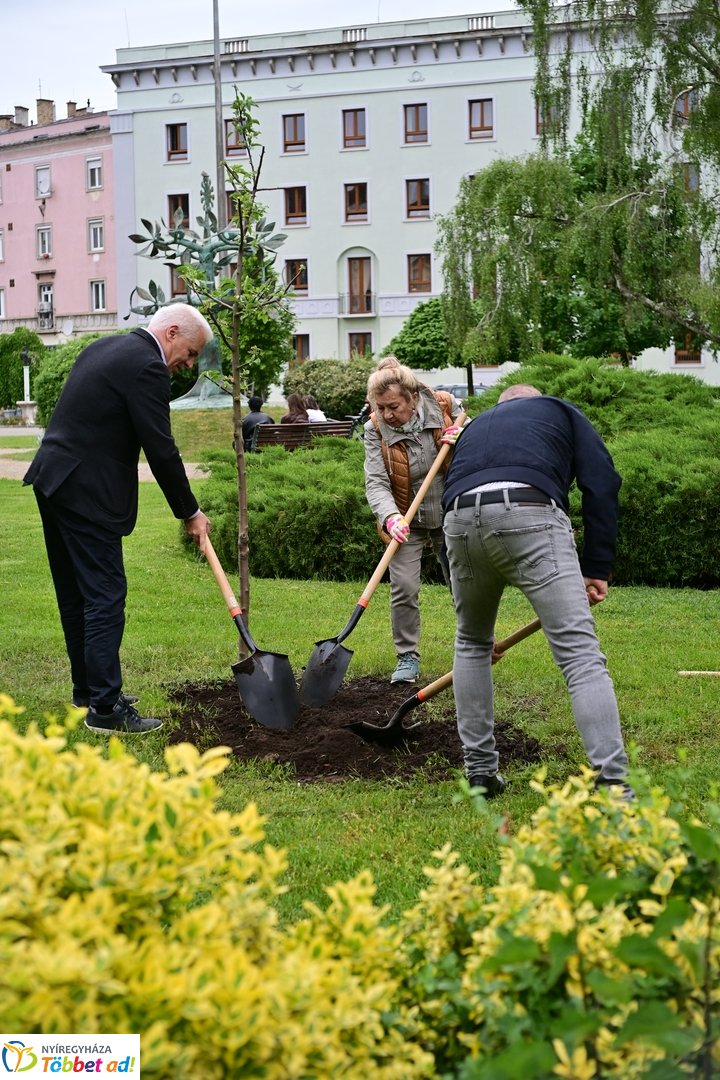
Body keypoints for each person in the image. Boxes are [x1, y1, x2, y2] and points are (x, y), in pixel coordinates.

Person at [24, 303, 213, 736]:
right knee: (105, 595)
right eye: (190, 352)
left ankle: (88, 692)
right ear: (170, 333)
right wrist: (190, 511)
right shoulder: (148, 366)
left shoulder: (105, 347)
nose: (188, 365)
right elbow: (161, 447)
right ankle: (106, 708)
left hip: (53, 479)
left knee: (76, 595)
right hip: (85, 491)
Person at [441, 383, 631, 798]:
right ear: (535, 401)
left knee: (471, 643)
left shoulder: (473, 428)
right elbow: (602, 481)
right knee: (579, 655)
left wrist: (465, 603)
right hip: (528, 510)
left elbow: (449, 498)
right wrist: (597, 566)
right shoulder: (558, 410)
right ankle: (614, 786)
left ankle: (480, 775)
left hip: (458, 520)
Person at [364, 356, 461, 683]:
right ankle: (407, 657)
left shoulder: (443, 406)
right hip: (405, 518)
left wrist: (460, 437)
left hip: (449, 511)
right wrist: (390, 517)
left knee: (462, 582)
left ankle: (476, 644)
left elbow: (479, 438)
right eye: (380, 407)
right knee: (404, 587)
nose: (386, 414)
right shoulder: (375, 430)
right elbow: (376, 481)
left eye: (393, 406)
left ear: (413, 397)